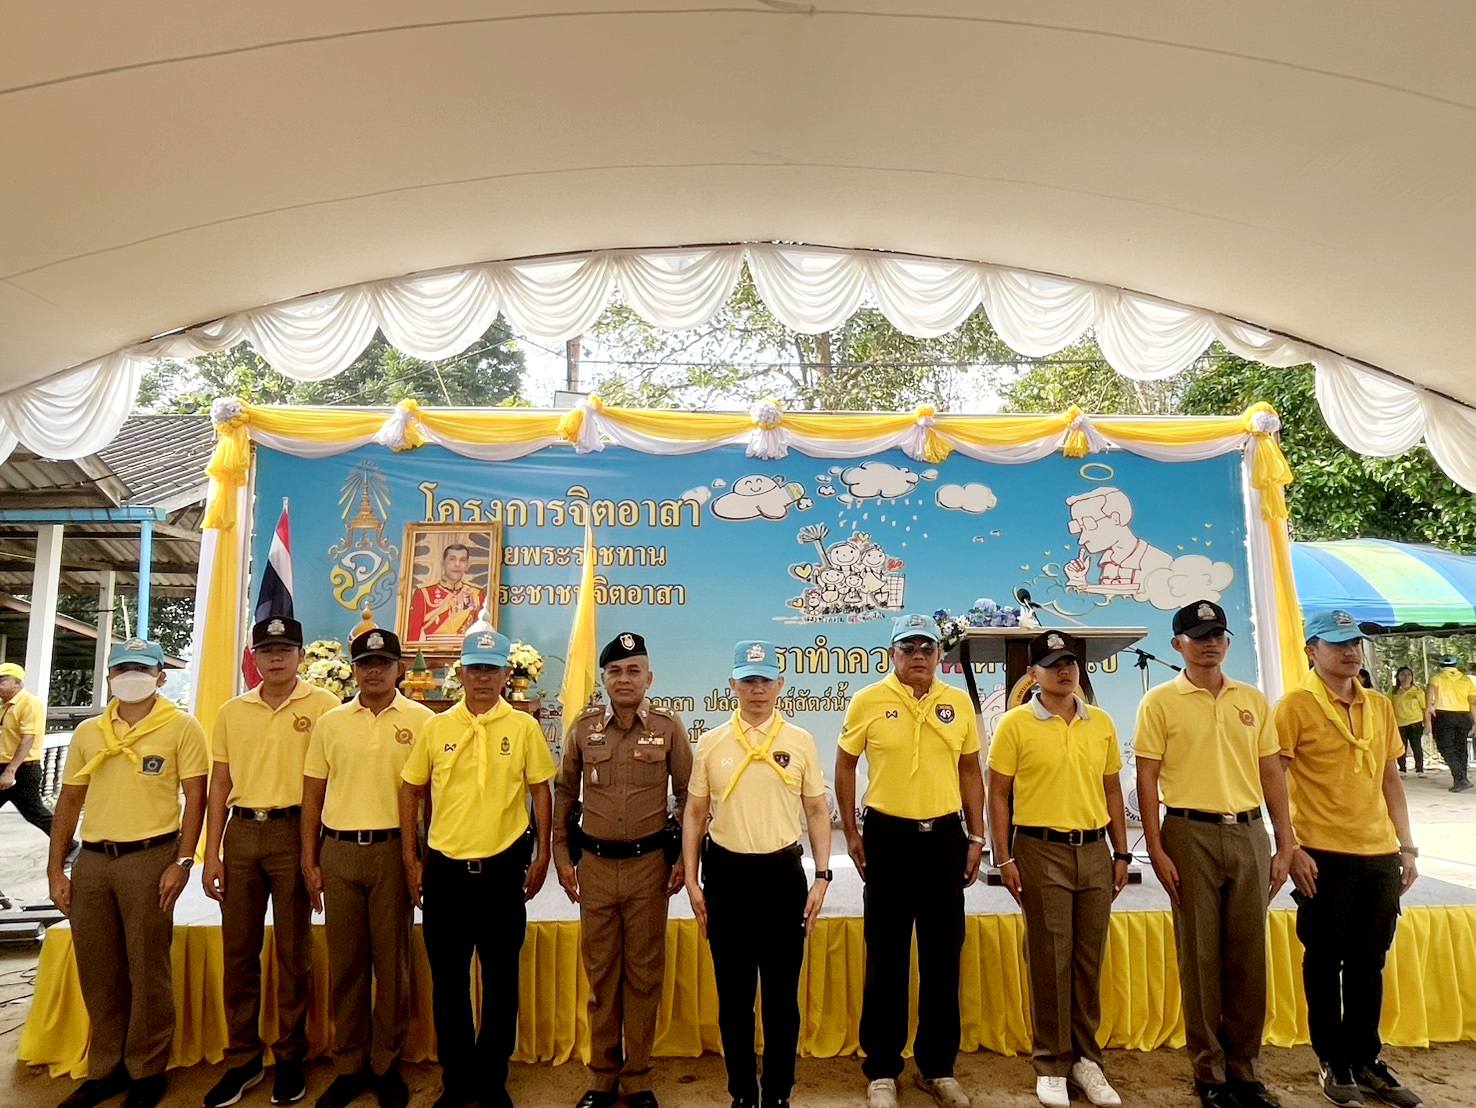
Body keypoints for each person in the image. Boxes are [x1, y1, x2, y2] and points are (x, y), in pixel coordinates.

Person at [1133, 601, 1295, 1108]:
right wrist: (1155, 847)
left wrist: (1286, 841)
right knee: (1200, 956)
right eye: (1199, 636)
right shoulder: (1160, 702)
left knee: (1248, 956)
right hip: (1188, 833)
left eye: (1218, 635)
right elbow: (1146, 778)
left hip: (1248, 832)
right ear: (1177, 644)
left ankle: (1246, 1071)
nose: (1210, 644)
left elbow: (1271, 772)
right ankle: (1209, 1074)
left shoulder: (1252, 700)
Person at [46, 638, 209, 1108]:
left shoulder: (181, 727)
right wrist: (57, 869)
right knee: (99, 969)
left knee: (147, 966)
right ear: (109, 677)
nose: (131, 676)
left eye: (142, 668)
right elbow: (69, 801)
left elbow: (196, 797)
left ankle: (147, 1069)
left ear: (161, 676)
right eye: (123, 669)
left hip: (150, 857)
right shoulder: (90, 731)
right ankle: (106, 1068)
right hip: (94, 860)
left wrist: (183, 861)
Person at [834, 613, 987, 1108]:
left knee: (943, 956)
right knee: (887, 955)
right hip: (888, 838)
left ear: (940, 655)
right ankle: (882, 1069)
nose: (918, 655)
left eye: (926, 647)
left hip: (944, 838)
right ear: (892, 654)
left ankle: (937, 1067)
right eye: (908, 647)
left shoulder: (958, 703)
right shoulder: (868, 700)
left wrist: (976, 835)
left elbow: (970, 770)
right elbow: (845, 765)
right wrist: (851, 831)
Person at [399, 629, 555, 1108]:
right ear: (461, 673)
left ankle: (492, 1079)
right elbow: (411, 789)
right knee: (449, 983)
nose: (483, 677)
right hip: (445, 872)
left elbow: (541, 790)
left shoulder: (523, 727)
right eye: (475, 669)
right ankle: (457, 1079)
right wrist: (410, 857)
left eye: (492, 669)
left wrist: (543, 853)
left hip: (502, 872)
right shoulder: (436, 728)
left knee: (501, 979)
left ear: (506, 674)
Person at [1277, 610, 1421, 1108]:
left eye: (1355, 642)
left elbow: (1390, 779)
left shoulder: (1378, 704)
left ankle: (1366, 1058)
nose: (1350, 651)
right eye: (1338, 643)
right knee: (1323, 960)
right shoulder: (1294, 706)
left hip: (1379, 852)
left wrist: (1407, 845)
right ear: (1311, 650)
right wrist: (1291, 847)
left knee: (1369, 961)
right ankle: (1332, 1059)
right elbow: (1275, 781)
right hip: (1322, 853)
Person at [684, 640, 831, 1108]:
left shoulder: (800, 741)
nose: (757, 689)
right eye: (748, 680)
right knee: (734, 998)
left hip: (782, 877)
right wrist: (691, 879)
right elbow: (694, 813)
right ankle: (743, 1094)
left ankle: (778, 1094)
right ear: (733, 685)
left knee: (782, 999)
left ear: (780, 684)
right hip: (726, 878)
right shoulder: (711, 743)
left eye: (765, 679)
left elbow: (816, 810)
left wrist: (822, 875)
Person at [201, 616, 340, 1108]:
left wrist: (314, 852)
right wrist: (211, 852)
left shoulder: (325, 707)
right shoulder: (231, 711)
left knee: (293, 950)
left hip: (295, 832)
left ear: (301, 654)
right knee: (239, 951)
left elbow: (329, 782)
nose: (275, 658)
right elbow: (219, 783)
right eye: (266, 650)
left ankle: (290, 1055)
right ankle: (243, 1057)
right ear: (254, 657)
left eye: (284, 650)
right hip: (241, 833)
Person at [552, 632, 692, 1108]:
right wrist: (561, 855)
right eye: (615, 671)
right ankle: (602, 1076)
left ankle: (638, 1078)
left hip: (648, 869)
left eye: (634, 671)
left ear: (649, 678)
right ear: (604, 679)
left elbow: (688, 797)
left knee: (644, 974)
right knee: (601, 975)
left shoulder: (668, 727)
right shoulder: (584, 726)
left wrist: (684, 860)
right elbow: (565, 792)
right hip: (594, 867)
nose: (625, 678)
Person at [989, 631, 1128, 1108]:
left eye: (1070, 662)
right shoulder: (1015, 724)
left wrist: (1122, 852)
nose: (1065, 671)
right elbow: (998, 793)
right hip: (1039, 848)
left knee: (1089, 959)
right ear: (1033, 675)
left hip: (1094, 850)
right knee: (1050, 958)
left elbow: (1113, 790)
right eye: (1052, 665)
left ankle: (1087, 1061)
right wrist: (1003, 856)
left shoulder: (1101, 723)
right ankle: (1051, 1062)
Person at [302, 629, 434, 1108]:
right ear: (354, 670)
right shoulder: (331, 723)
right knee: (346, 962)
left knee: (392, 963)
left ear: (399, 668)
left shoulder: (423, 720)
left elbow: (431, 795)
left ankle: (385, 1063)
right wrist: (309, 859)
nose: (374, 671)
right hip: (339, 850)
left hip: (394, 851)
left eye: (383, 662)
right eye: (365, 663)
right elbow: (312, 795)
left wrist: (422, 858)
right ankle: (349, 1064)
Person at [0, 662, 77, 854]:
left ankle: (71, 846)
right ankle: (71, 846)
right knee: (35, 813)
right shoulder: (4, 706)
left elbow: (28, 738)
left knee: (36, 813)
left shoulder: (29, 703)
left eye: (2, 681)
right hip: (5, 766)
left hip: (22, 768)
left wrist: (10, 771)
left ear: (17, 683)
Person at [405, 543, 486, 642]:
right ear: (443, 563)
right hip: (431, 650)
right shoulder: (423, 594)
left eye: (462, 560)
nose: (457, 564)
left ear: (467, 565)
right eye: (452, 559)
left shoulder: (477, 594)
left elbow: (481, 635)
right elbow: (412, 637)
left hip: (465, 650)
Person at [1426, 653, 1475, 793]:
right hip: (1464, 715)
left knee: (1445, 747)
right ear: (1456, 665)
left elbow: (1430, 690)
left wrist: (1429, 706)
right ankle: (1462, 779)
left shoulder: (1437, 677)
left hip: (1444, 715)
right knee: (1461, 748)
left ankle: (1460, 779)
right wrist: (1475, 721)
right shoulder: (1466, 680)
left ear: (1441, 665)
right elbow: (1473, 703)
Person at [1390, 666, 1426, 776]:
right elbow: (1388, 707)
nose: (1406, 677)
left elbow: (1424, 708)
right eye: (1403, 674)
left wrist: (1427, 723)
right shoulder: (1393, 692)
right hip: (1399, 723)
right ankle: (1402, 769)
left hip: (1415, 723)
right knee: (1401, 747)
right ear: (1398, 677)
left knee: (1417, 746)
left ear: (1412, 677)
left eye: (1408, 675)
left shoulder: (1418, 691)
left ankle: (1419, 769)